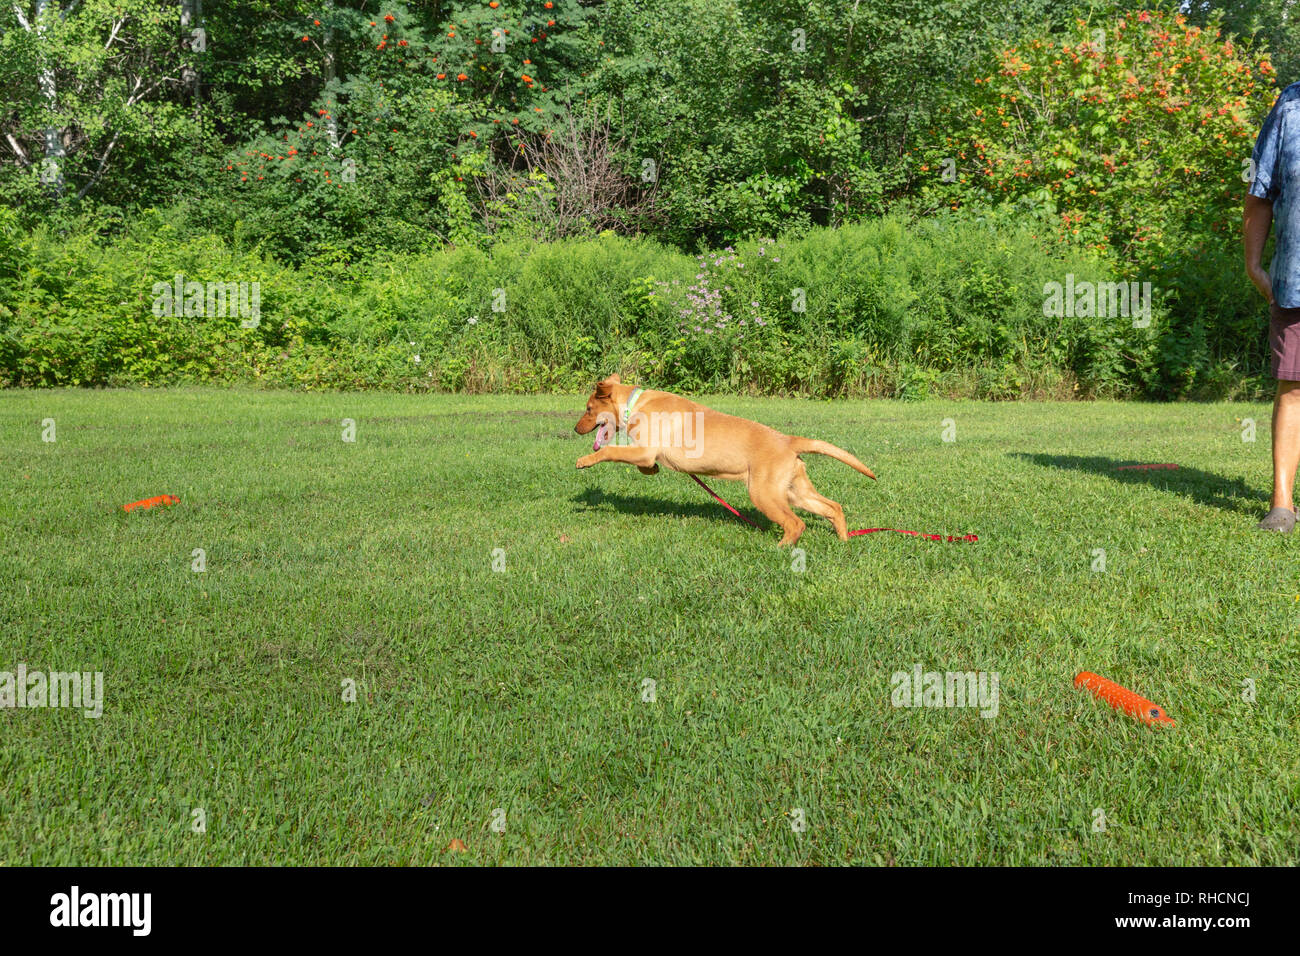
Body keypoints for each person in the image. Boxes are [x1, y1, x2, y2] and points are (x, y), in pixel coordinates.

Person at [1246, 82, 1300, 531]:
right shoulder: (1290, 106)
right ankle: (1281, 502)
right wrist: (1253, 264)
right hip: (1296, 280)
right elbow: (1260, 190)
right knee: (1294, 388)